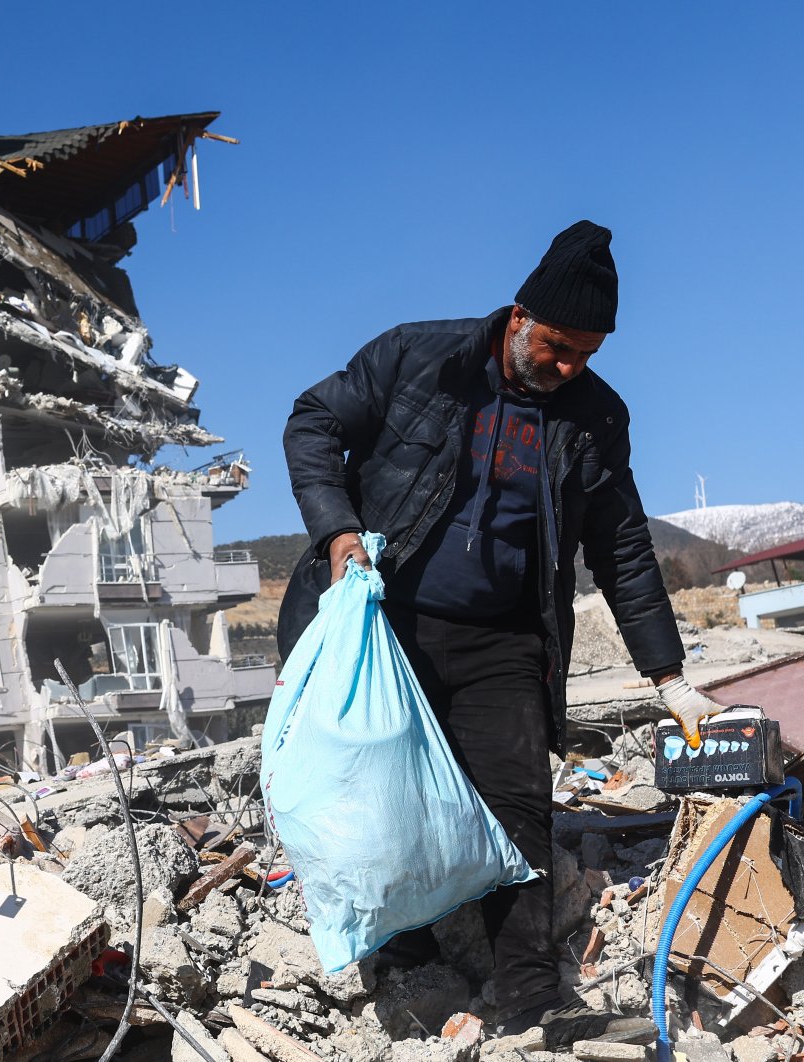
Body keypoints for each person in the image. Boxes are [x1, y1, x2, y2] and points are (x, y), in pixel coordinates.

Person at [277, 220, 719, 1045]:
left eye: (585, 354)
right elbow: (312, 422)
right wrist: (336, 530)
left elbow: (622, 549)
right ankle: (410, 972)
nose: (567, 367)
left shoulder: (594, 417)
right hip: (387, 624)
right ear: (520, 317)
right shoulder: (416, 356)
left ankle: (530, 1004)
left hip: (504, 640)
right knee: (383, 801)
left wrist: (670, 678)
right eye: (556, 346)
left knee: (518, 809)